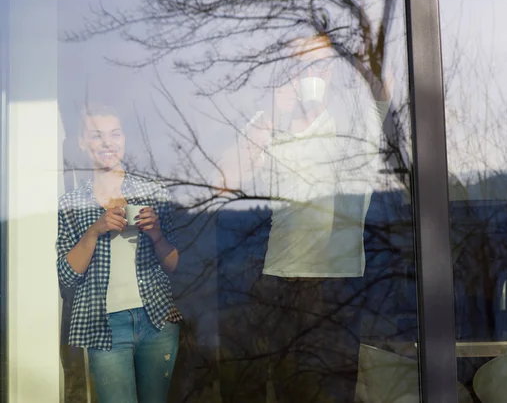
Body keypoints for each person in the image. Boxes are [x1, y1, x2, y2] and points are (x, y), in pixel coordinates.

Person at [217, 34, 392, 402]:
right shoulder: (271, 126)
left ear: (332, 71)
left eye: (321, 64)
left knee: (334, 391)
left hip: (338, 281)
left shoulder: (352, 124)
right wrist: (271, 115)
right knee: (287, 389)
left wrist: (359, 58)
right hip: (280, 280)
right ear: (288, 73)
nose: (312, 73)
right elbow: (222, 184)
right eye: (302, 66)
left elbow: (384, 94)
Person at [56, 104, 182, 403]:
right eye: (97, 136)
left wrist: (156, 234)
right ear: (83, 143)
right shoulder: (72, 203)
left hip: (157, 320)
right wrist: (94, 231)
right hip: (104, 325)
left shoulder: (154, 192)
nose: (108, 143)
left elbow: (174, 264)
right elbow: (66, 277)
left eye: (115, 133)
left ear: (125, 138)